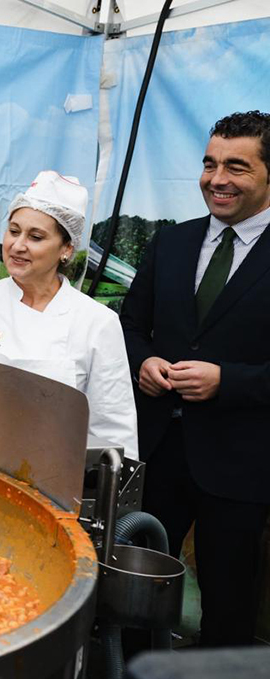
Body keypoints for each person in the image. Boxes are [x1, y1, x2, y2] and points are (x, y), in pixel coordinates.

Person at [120, 111, 270, 647]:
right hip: (157, 450)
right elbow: (131, 324)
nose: (217, 178)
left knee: (228, 607)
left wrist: (226, 381)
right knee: (135, 593)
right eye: (209, 164)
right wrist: (142, 361)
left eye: (237, 166)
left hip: (240, 466)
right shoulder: (171, 243)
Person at [0, 171, 138, 460]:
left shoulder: (97, 323)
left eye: (35, 237)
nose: (18, 245)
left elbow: (114, 431)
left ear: (66, 249)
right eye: (14, 231)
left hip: (53, 479)